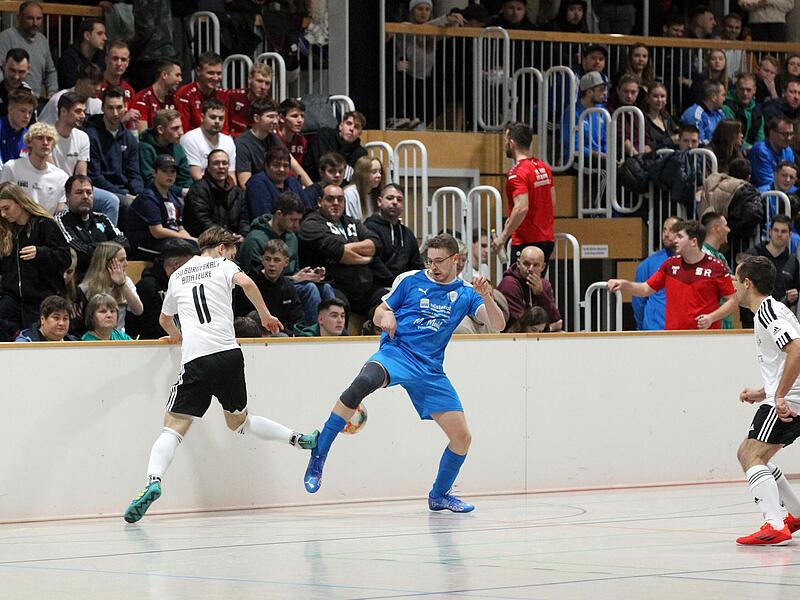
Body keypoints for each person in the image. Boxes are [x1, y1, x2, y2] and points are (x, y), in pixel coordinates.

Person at [122, 226, 319, 524]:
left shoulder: (177, 275)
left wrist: (178, 337)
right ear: (222, 248)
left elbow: (163, 319)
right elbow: (248, 283)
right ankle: (298, 439)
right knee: (240, 422)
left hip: (197, 360)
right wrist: (265, 316)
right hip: (229, 355)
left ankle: (153, 481)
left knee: (173, 429)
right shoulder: (224, 265)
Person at [302, 232, 505, 513]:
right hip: (396, 354)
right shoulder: (410, 280)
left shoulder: (467, 293)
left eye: (439, 261)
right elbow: (379, 312)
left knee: (462, 438)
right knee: (359, 385)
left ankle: (440, 495)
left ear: (455, 260)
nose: (432, 266)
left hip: (430, 370)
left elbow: (498, 325)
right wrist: (385, 315)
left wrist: (487, 296)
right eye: (429, 260)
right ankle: (320, 452)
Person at [731, 255, 800, 545]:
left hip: (788, 401)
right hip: (786, 397)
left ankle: (774, 523)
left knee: (750, 455)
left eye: (736, 280)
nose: (734, 286)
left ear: (747, 283)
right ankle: (794, 514)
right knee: (752, 453)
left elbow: (796, 350)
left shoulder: (767, 313)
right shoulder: (774, 310)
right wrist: (762, 392)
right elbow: (784, 358)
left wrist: (779, 396)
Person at [608, 220, 736, 330]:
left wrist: (712, 317)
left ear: (693, 242)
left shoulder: (715, 267)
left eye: (680, 237)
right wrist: (624, 284)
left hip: (705, 337)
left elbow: (733, 301)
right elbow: (645, 289)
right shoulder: (669, 265)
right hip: (674, 337)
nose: (675, 240)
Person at [239, 191, 335, 325]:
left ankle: (336, 336)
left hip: (289, 285)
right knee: (310, 289)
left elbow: (293, 270)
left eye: (298, 220)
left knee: (326, 288)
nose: (297, 225)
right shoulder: (255, 239)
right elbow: (257, 279)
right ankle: (314, 336)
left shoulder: (292, 237)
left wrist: (307, 275)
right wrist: (294, 279)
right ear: (279, 214)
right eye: (293, 220)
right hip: (268, 290)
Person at [299, 183, 386, 316]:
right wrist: (365, 258)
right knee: (338, 307)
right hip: (333, 285)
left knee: (388, 301)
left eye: (340, 199)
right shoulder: (311, 224)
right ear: (319, 201)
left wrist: (348, 249)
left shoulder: (351, 222)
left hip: (364, 287)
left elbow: (376, 243)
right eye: (330, 199)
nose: (336, 203)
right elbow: (339, 252)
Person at [0, 182, 71, 341]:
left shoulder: (44, 224)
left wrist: (41, 253)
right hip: (13, 298)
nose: (3, 214)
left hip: (42, 297)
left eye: (6, 208)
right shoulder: (6, 230)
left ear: (19, 202)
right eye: (0, 210)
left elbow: (65, 258)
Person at [494, 122, 556, 265]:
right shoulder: (544, 167)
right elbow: (552, 201)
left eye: (505, 140)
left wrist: (503, 236)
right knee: (535, 285)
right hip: (546, 240)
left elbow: (521, 207)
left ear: (512, 142)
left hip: (527, 242)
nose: (505, 145)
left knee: (515, 286)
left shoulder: (517, 173)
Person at [85, 86, 144, 221]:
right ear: (102, 109)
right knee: (129, 204)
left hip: (126, 191)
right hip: (102, 190)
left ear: (125, 107)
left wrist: (140, 193)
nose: (116, 113)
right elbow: (95, 176)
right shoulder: (91, 135)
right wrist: (124, 194)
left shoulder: (129, 138)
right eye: (110, 108)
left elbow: (134, 173)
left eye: (119, 107)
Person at [55, 174, 128, 280]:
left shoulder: (102, 218)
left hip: (108, 278)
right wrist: (109, 248)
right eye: (79, 192)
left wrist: (94, 248)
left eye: (89, 192)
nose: (85, 196)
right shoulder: (61, 220)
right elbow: (79, 252)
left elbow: (124, 242)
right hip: (79, 281)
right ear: (67, 197)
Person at [125, 239, 197, 340]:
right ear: (176, 265)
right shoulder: (147, 287)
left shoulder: (185, 284)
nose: (192, 270)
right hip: (156, 346)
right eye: (189, 266)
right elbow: (151, 327)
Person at [127, 155, 195, 259]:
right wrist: (185, 238)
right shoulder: (148, 198)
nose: (170, 175)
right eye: (164, 171)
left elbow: (180, 227)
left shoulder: (174, 198)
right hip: (145, 244)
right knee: (184, 251)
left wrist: (190, 239)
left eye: (173, 171)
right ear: (154, 173)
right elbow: (157, 231)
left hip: (169, 240)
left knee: (196, 248)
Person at [233, 239, 304, 334]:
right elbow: (239, 317)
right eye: (267, 259)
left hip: (279, 335)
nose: (271, 264)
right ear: (262, 259)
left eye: (276, 260)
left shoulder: (288, 287)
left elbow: (297, 320)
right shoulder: (249, 283)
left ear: (286, 262)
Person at [742, 215, 800, 328]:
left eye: (783, 231)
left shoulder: (793, 262)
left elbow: (793, 300)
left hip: (780, 323)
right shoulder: (753, 255)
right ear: (770, 232)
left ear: (790, 235)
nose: (779, 234)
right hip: (752, 321)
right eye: (776, 230)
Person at [364, 183, 425, 288]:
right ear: (379, 201)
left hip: (406, 288)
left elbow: (417, 265)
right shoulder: (368, 228)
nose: (395, 202)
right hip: (378, 287)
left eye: (399, 199)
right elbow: (374, 263)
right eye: (390, 198)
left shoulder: (407, 234)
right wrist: (396, 284)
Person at [1, 121, 67, 215]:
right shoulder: (11, 168)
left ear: (53, 144)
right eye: (40, 138)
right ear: (29, 142)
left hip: (46, 225)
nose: (45, 142)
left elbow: (60, 213)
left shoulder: (61, 177)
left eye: (49, 139)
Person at [184, 149, 250, 238]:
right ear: (209, 167)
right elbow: (202, 222)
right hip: (206, 241)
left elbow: (244, 220)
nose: (221, 166)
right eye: (216, 163)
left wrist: (243, 235)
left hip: (232, 240)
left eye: (224, 163)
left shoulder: (237, 193)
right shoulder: (198, 189)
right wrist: (227, 236)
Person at [78, 241, 143, 332]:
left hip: (119, 335)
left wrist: (122, 285)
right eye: (121, 260)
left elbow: (138, 310)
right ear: (106, 263)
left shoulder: (126, 281)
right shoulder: (86, 287)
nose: (126, 264)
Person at [0, 1, 58, 99]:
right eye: (30, 18)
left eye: (39, 18)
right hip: (11, 99)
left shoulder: (42, 40)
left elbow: (50, 71)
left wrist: (52, 91)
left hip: (35, 98)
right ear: (19, 18)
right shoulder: (6, 37)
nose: (35, 23)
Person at [498, 245, 562, 332]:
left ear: (542, 267)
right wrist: (549, 328)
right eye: (526, 264)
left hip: (539, 336)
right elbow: (521, 324)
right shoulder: (509, 284)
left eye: (535, 265)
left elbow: (555, 319)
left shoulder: (544, 284)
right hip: (513, 338)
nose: (530, 269)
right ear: (518, 263)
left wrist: (541, 293)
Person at [632, 216, 679, 331]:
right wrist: (643, 327)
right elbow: (638, 302)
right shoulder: (648, 264)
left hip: (682, 330)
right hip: (654, 330)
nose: (666, 234)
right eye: (664, 230)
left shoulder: (691, 262)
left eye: (672, 230)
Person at [139, 109, 192, 198]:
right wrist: (180, 191)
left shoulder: (177, 146)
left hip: (175, 193)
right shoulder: (145, 148)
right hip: (153, 194)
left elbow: (185, 176)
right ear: (160, 129)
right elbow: (150, 181)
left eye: (181, 127)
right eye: (175, 128)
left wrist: (189, 190)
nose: (181, 132)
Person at [180, 98, 236, 181]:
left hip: (223, 189)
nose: (217, 121)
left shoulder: (228, 141)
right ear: (202, 117)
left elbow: (231, 175)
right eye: (213, 117)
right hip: (200, 189)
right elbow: (196, 176)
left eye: (221, 118)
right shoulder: (190, 139)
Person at [304, 111, 368, 183]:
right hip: (313, 183)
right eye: (349, 124)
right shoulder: (324, 135)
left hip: (342, 190)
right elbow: (321, 165)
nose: (351, 129)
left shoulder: (360, 153)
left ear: (360, 133)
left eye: (356, 127)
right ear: (341, 126)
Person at [245, 146, 307, 218]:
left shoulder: (293, 182)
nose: (281, 169)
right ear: (266, 166)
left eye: (285, 165)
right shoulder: (256, 184)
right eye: (276, 165)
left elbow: (308, 210)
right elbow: (263, 218)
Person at [234, 97, 281, 188]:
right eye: (271, 116)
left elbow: (293, 164)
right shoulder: (242, 143)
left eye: (277, 117)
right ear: (256, 118)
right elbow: (245, 183)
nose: (276, 121)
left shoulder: (273, 138)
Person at [175, 52, 226, 133]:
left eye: (219, 73)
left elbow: (225, 129)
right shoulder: (185, 94)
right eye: (211, 73)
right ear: (198, 71)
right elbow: (183, 130)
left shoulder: (222, 94)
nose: (216, 78)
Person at [39, 61, 103, 125]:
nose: (98, 88)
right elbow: (43, 128)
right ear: (79, 82)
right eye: (93, 84)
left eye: (100, 84)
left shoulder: (97, 104)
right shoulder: (58, 100)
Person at [700, 211, 734, 329]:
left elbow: (731, 282)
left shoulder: (719, 256)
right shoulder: (700, 255)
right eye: (726, 225)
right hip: (710, 320)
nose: (728, 230)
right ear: (717, 228)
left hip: (724, 317)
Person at [566, 71, 608, 162]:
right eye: (601, 89)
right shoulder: (573, 111)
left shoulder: (602, 111)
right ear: (589, 92)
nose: (605, 93)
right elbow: (571, 144)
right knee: (605, 172)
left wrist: (607, 154)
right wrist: (593, 153)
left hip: (599, 157)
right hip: (577, 158)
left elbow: (605, 139)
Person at [131, 59, 182, 132]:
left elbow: (179, 131)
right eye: (177, 75)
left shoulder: (174, 100)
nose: (180, 79)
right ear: (164, 75)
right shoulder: (143, 99)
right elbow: (142, 136)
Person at [225, 63, 273, 137]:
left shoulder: (271, 105)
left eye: (267, 83)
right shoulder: (232, 96)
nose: (263, 87)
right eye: (259, 81)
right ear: (250, 79)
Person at [57, 17, 106, 89]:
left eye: (104, 34)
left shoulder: (102, 55)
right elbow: (72, 86)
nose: (105, 38)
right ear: (87, 35)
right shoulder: (69, 58)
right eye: (99, 34)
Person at [750, 116, 796, 191]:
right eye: (784, 134)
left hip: (783, 191)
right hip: (763, 194)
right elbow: (769, 182)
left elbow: (791, 178)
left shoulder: (788, 151)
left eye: (791, 134)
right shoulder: (761, 150)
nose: (789, 138)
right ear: (772, 133)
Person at [723, 73, 765, 152]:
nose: (745, 93)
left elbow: (760, 140)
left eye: (748, 90)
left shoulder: (757, 112)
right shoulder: (727, 107)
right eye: (741, 89)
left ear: (754, 90)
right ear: (736, 89)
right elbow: (733, 136)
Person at [680, 80, 726, 146]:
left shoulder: (720, 113)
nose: (724, 99)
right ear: (713, 97)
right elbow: (698, 142)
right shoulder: (694, 114)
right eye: (723, 95)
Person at [0, 88, 36, 164]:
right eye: (22, 111)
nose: (27, 116)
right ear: (10, 109)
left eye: (30, 112)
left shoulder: (28, 137)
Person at [344, 156, 385, 221]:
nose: (379, 175)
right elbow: (353, 223)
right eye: (374, 172)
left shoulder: (374, 193)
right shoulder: (350, 193)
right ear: (362, 174)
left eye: (380, 172)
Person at [643, 82, 678, 152]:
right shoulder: (642, 119)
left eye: (662, 96)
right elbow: (646, 147)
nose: (659, 100)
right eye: (655, 96)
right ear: (648, 99)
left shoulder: (667, 118)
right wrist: (670, 140)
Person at [100, 42, 135, 110]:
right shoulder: (95, 85)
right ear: (106, 59)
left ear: (128, 63)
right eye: (115, 59)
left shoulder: (130, 91)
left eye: (123, 60)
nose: (119, 64)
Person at [0, 48, 34, 118]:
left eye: (21, 72)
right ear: (4, 66)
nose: (16, 77)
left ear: (28, 69)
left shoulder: (28, 92)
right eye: (12, 70)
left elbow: (32, 126)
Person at [276, 98, 307, 166]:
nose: (300, 120)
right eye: (294, 116)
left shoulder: (302, 141)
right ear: (281, 118)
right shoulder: (272, 138)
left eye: (302, 116)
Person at [721, 13, 746, 80]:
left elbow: (743, 70)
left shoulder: (742, 47)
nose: (733, 30)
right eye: (730, 27)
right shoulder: (715, 43)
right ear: (723, 27)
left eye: (737, 28)